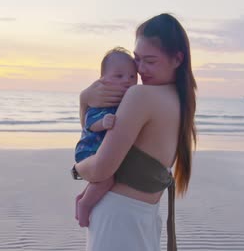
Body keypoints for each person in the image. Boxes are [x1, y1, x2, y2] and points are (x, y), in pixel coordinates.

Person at [72, 13, 197, 251]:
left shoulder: (140, 96)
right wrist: (84, 102)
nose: (140, 69)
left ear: (177, 58)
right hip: (146, 216)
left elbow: (99, 167)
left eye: (150, 61)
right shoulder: (181, 100)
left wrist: (76, 168)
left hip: (118, 218)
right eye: (137, 59)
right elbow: (99, 140)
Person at [74, 47, 138, 227]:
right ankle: (85, 204)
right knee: (107, 178)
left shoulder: (127, 100)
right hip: (89, 151)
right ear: (102, 80)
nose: (127, 81)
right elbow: (89, 122)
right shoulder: (101, 101)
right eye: (119, 76)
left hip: (103, 152)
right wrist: (104, 122)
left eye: (132, 76)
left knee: (102, 179)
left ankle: (82, 197)